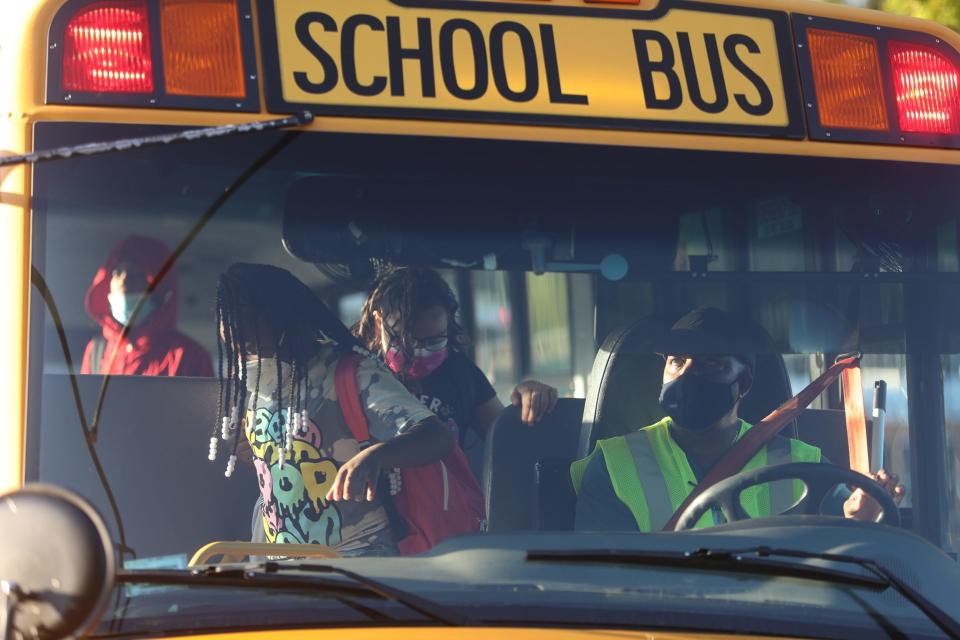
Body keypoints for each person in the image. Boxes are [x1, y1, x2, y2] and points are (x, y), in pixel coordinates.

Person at [571, 307, 906, 532]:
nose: (687, 375)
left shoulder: (803, 463)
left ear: (743, 384)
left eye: (710, 364)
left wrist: (862, 517)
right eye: (676, 361)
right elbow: (602, 584)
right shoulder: (615, 466)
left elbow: (847, 550)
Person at [211, 263, 453, 556]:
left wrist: (375, 457)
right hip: (282, 566)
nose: (229, 331)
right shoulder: (251, 382)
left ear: (274, 317)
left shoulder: (349, 373)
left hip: (358, 560)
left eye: (241, 321)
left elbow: (437, 436)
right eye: (225, 322)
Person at [355, 267, 558, 475]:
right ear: (379, 324)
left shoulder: (461, 373)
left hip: (445, 501)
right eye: (406, 341)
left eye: (434, 341)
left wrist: (529, 398)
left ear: (448, 326)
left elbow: (508, 441)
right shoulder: (358, 375)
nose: (420, 353)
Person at [81, 236, 213, 376]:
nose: (124, 279)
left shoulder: (190, 357)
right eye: (117, 272)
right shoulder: (96, 352)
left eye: (135, 273)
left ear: (160, 290)